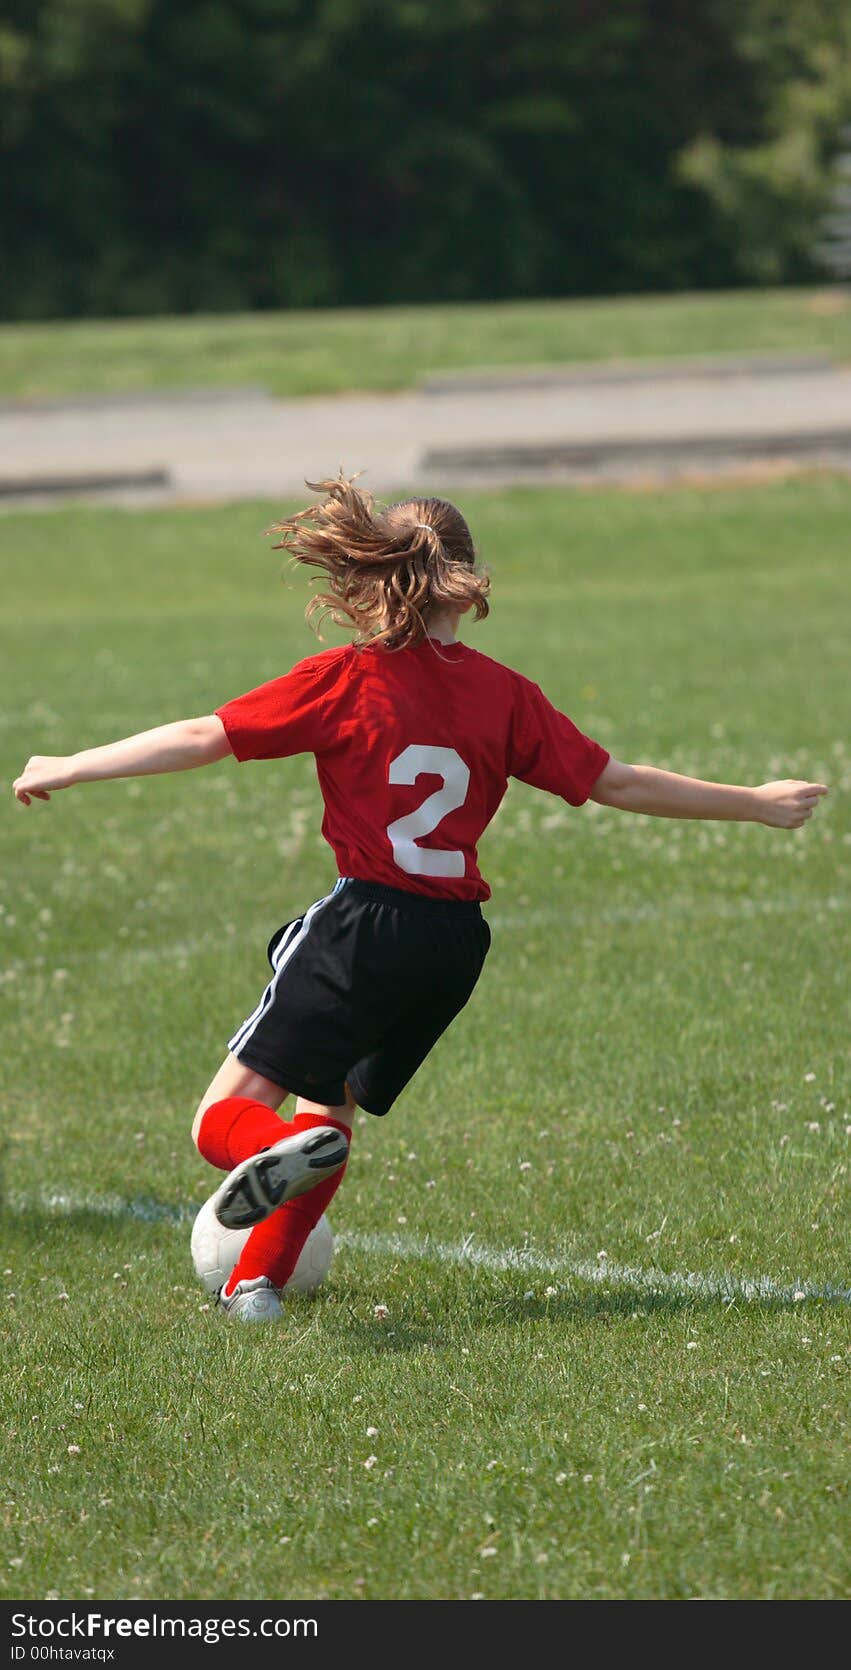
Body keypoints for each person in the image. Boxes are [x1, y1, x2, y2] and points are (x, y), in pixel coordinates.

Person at [13, 475, 829, 1322]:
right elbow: (614, 782)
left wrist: (72, 764)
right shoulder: (504, 694)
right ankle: (252, 1286)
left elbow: (201, 737)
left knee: (224, 1120)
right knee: (327, 1107)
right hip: (451, 945)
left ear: (372, 578)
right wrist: (753, 801)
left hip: (362, 924)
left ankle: (283, 1163)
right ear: (466, 585)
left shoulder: (344, 678)